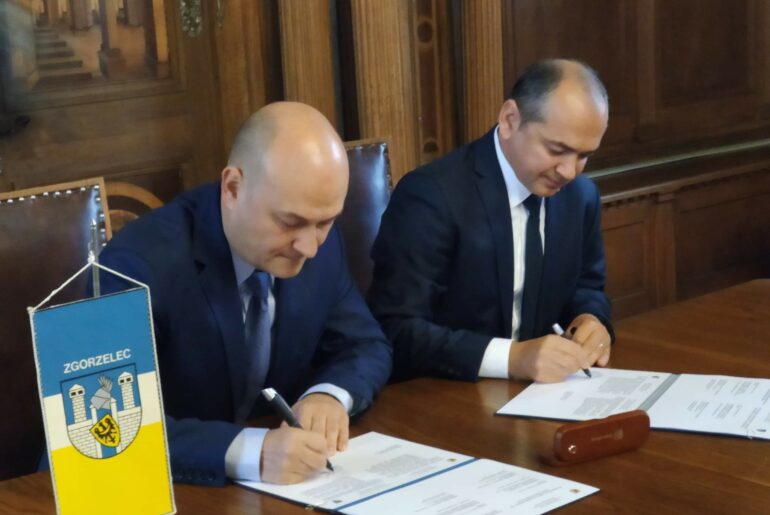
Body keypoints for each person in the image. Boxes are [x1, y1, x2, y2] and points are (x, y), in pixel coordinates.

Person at [97, 102, 392, 486]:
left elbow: (366, 344)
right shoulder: (137, 264)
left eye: (325, 222)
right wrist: (250, 452)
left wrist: (329, 395)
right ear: (233, 188)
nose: (309, 247)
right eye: (290, 222)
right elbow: (105, 426)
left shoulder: (317, 241)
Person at [368, 59, 612, 384]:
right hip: (445, 392)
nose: (569, 171)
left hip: (547, 393)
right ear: (510, 120)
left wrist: (590, 319)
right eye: (557, 149)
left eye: (583, 156)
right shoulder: (432, 196)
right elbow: (396, 327)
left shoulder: (580, 196)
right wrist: (511, 358)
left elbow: (588, 286)